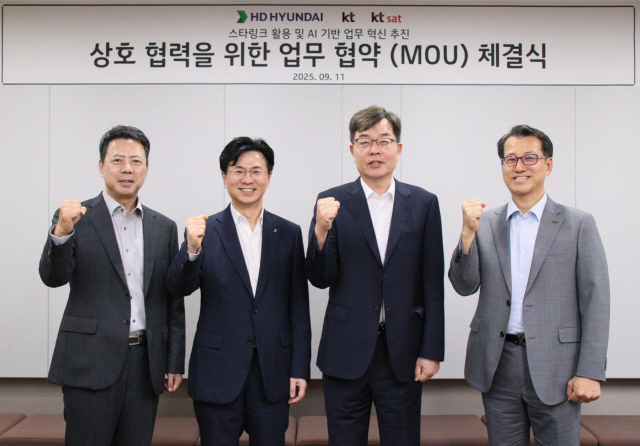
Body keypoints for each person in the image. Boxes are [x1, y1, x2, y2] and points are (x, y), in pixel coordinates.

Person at [448, 125, 610, 446]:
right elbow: (464, 285)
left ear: (548, 165)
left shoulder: (578, 224)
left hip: (558, 366)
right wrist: (466, 234)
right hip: (498, 363)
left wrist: (590, 371)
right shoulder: (484, 223)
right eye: (510, 159)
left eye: (529, 158)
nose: (519, 166)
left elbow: (596, 300)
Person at [306, 106, 445, 446]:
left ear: (398, 148)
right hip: (345, 349)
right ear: (352, 150)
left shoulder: (424, 203)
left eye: (384, 141)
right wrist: (320, 231)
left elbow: (433, 282)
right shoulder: (331, 201)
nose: (375, 150)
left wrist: (431, 350)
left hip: (402, 351)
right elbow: (320, 278)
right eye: (365, 142)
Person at [39, 125, 185, 446]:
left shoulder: (164, 227)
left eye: (136, 161)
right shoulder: (76, 217)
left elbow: (172, 300)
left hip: (145, 363)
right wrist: (61, 232)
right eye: (117, 160)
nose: (127, 169)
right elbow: (53, 277)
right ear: (101, 166)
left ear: (146, 168)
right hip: (89, 361)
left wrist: (174, 361)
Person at [168, 137, 311, 446]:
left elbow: (298, 308)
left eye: (256, 171)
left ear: (269, 177)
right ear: (224, 177)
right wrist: (190, 249)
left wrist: (300, 368)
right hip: (217, 372)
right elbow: (178, 287)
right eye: (238, 171)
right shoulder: (204, 230)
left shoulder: (289, 233)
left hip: (272, 373)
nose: (248, 179)